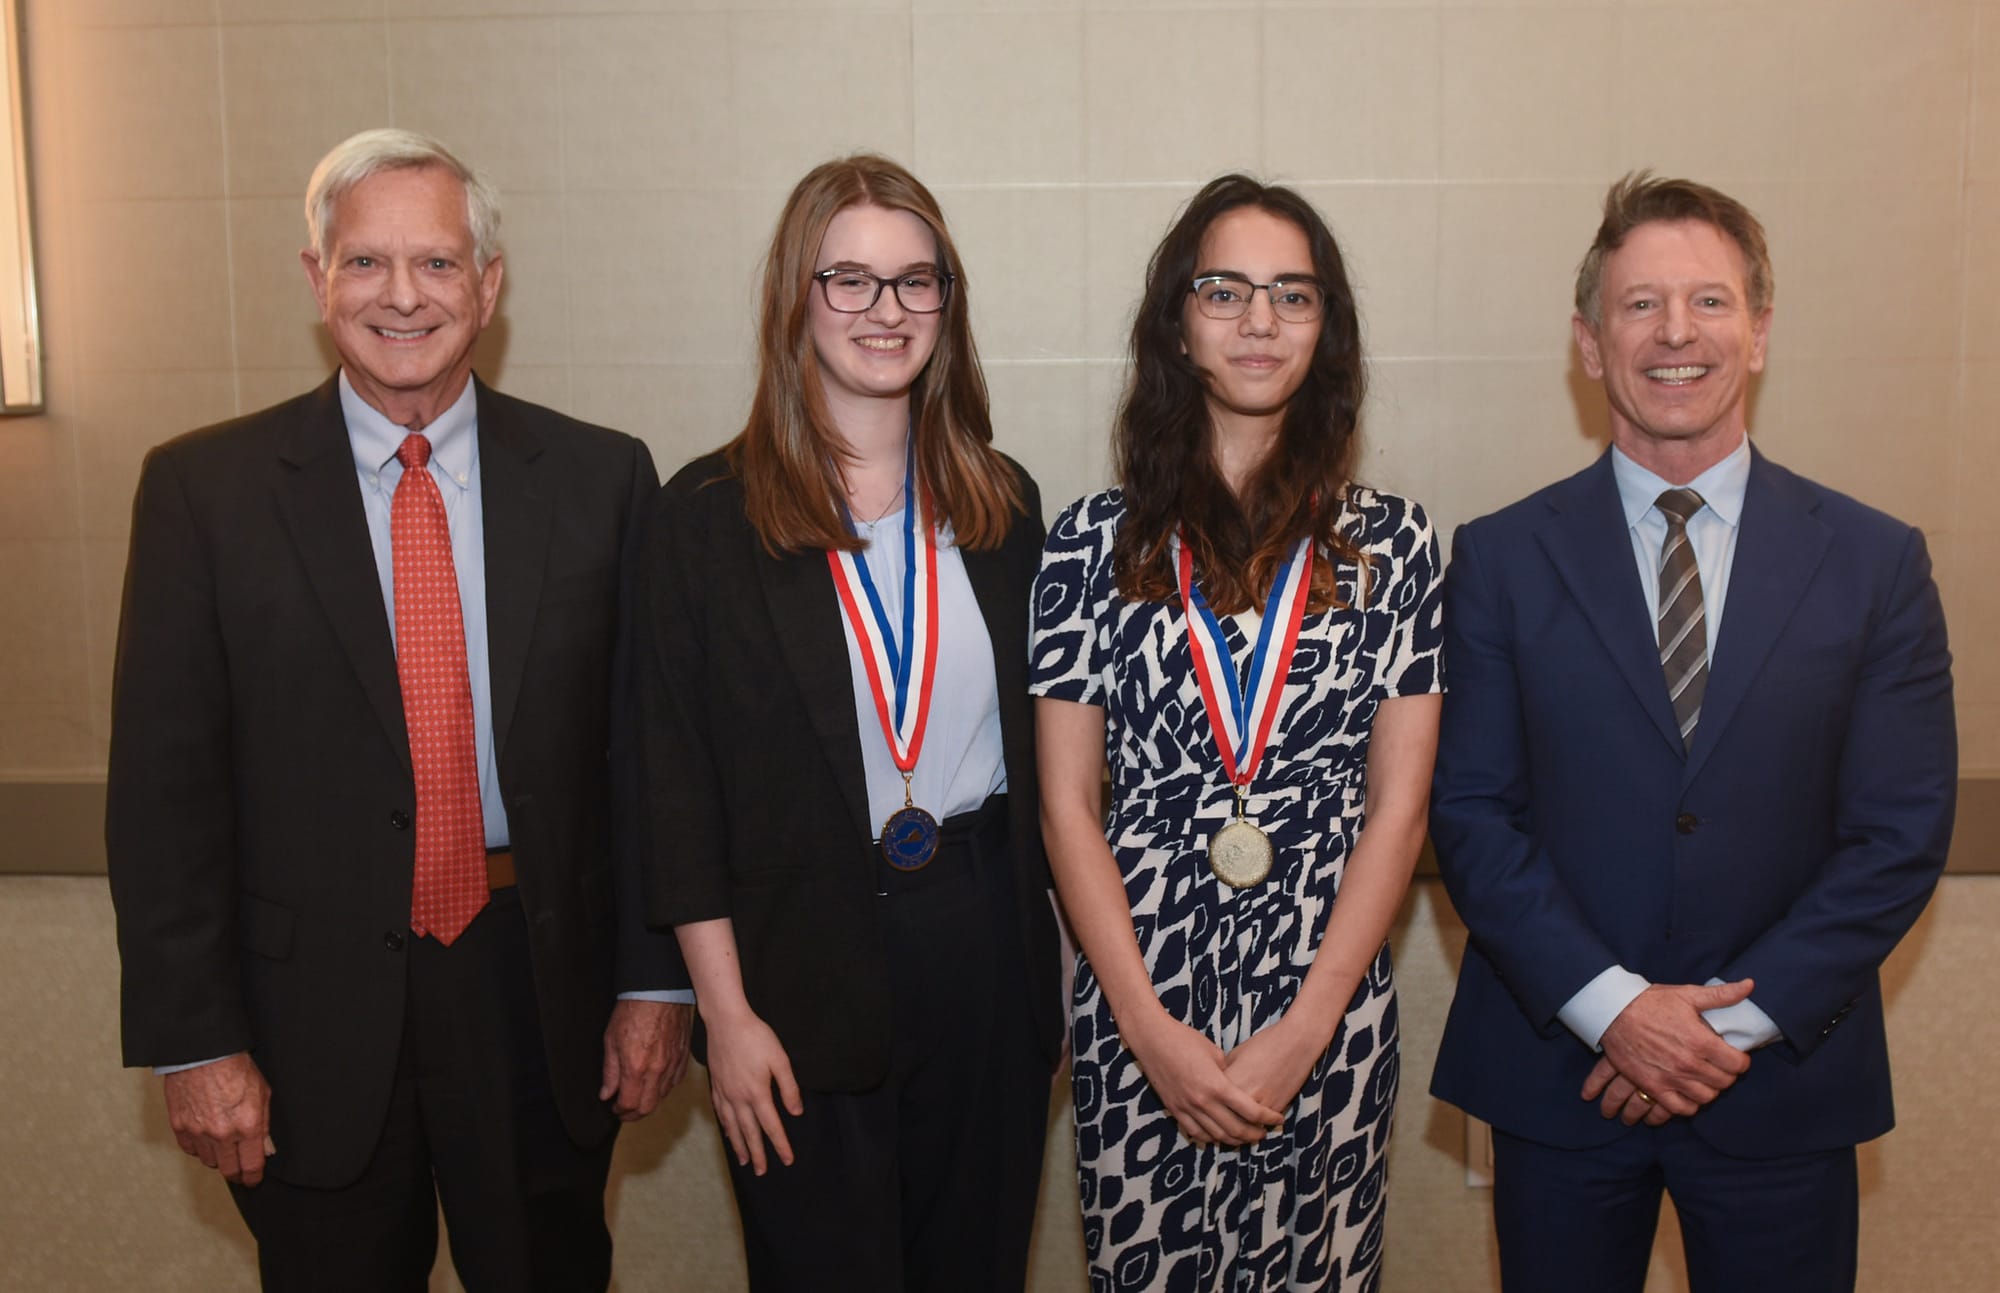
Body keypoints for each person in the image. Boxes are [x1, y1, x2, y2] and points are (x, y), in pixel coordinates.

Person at [105, 128, 693, 1292]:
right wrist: (195, 1040)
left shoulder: (601, 480)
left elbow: (647, 763)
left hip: (538, 997)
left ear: (488, 284)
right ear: (316, 278)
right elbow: (162, 798)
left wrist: (654, 981)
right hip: (302, 1016)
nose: (402, 296)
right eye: (365, 262)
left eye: (435, 263)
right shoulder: (202, 493)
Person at [1428, 172, 1957, 1292]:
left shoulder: (1874, 563)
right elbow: (1472, 812)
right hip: (1560, 1078)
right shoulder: (1498, 558)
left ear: (1757, 334)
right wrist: (1615, 1012)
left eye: (1709, 303)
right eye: (1639, 305)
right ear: (1586, 341)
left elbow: (1899, 832)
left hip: (1778, 1088)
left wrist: (1725, 1029)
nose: (1676, 333)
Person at [637, 154, 1061, 1292]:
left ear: (946, 306)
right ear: (795, 297)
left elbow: (1059, 763)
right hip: (792, 967)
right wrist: (720, 1016)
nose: (887, 312)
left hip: (982, 950)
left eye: (916, 282)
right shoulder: (704, 520)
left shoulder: (1005, 506)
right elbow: (674, 794)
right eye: (851, 281)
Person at [1030, 174, 1443, 1291]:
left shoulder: (1393, 547)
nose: (1259, 322)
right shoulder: (1086, 544)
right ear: (1177, 319)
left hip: (1328, 998)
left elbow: (1399, 810)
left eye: (1292, 296)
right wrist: (1141, 1027)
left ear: (1327, 328)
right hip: (1138, 998)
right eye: (1225, 291)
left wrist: (1309, 1027)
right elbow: (1067, 806)